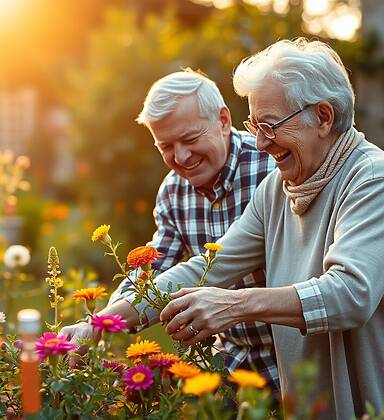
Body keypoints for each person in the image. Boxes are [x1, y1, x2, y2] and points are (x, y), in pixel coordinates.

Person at [141, 39, 384, 418]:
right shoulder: (277, 189)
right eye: (255, 125)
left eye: (270, 125)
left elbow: (350, 293)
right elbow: (207, 267)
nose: (259, 142)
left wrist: (234, 305)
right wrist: (100, 324)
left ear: (322, 117)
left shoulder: (371, 178)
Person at [59, 69, 279, 390]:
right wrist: (97, 324)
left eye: (190, 139)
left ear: (223, 120)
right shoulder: (174, 192)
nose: (181, 157)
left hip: (294, 358)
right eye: (165, 146)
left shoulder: (270, 167)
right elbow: (154, 270)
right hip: (231, 361)